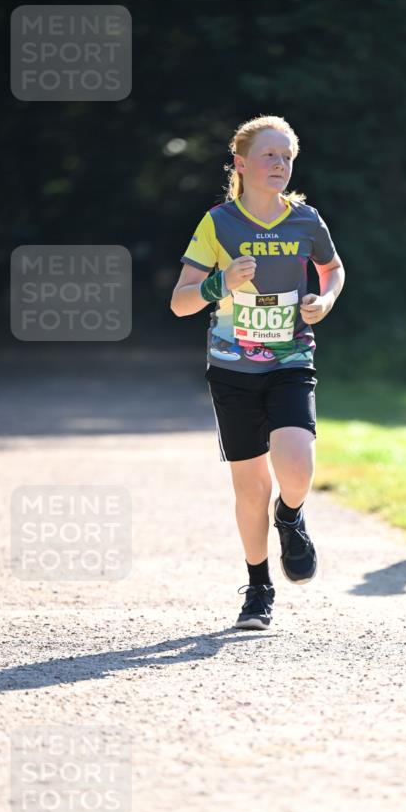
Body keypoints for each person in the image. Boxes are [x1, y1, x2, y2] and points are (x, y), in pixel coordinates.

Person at [170, 115, 345, 628]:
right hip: (232, 368)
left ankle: (290, 515)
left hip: (291, 357)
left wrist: (325, 301)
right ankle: (258, 588)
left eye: (287, 156)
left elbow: (333, 269)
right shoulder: (218, 223)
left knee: (297, 466)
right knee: (250, 489)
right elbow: (180, 302)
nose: (280, 164)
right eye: (270, 155)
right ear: (241, 164)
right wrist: (218, 283)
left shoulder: (305, 220)